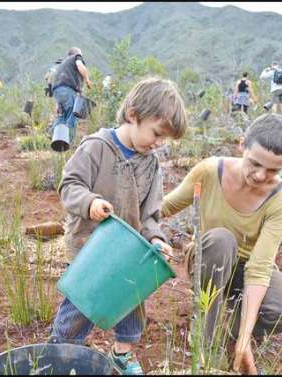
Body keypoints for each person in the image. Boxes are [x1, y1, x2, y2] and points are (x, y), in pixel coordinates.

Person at [50, 77, 188, 375]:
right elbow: (69, 185)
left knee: (131, 299)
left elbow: (151, 215)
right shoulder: (96, 147)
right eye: (157, 133)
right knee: (84, 300)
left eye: (165, 139)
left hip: (129, 251)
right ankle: (61, 350)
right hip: (90, 247)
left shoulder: (150, 164)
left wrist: (156, 239)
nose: (159, 143)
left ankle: (121, 354)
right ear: (133, 115)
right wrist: (90, 203)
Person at [161, 113, 282, 375]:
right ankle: (206, 336)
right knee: (222, 240)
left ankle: (232, 331)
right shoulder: (209, 171)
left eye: (273, 170)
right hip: (209, 258)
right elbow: (166, 206)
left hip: (246, 268)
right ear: (242, 145)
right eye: (255, 163)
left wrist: (243, 337)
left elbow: (260, 267)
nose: (261, 175)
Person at [50, 47, 92, 144]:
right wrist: (87, 79)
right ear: (76, 54)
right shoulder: (76, 57)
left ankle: (53, 135)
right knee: (74, 114)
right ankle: (67, 141)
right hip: (67, 89)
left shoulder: (62, 65)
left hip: (57, 90)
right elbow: (80, 66)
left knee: (62, 115)